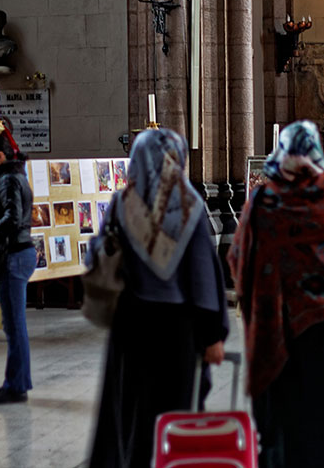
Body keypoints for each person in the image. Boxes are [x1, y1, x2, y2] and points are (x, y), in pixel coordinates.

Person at [228, 121, 324, 468]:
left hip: (274, 332)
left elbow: (238, 259)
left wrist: (264, 296)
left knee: (281, 428)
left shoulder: (262, 203)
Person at [88, 128, 229, 468]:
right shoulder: (189, 207)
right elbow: (202, 277)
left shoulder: (123, 203)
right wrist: (213, 335)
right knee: (174, 412)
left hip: (131, 322)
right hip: (176, 328)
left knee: (132, 408)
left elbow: (97, 252)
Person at [0, 132, 36, 404]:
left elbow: (12, 219)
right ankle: (16, 382)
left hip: (13, 256)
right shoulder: (14, 175)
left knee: (14, 326)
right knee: (14, 325)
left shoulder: (8, 179)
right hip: (18, 253)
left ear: (0, 156)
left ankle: (16, 386)